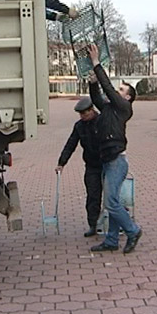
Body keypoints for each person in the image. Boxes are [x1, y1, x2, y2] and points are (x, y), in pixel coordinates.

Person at [86, 44, 142, 254]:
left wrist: (96, 63)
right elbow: (97, 98)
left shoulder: (124, 108)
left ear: (127, 97)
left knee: (110, 202)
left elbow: (108, 89)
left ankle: (133, 230)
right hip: (108, 160)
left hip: (117, 161)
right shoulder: (109, 109)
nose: (117, 92)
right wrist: (93, 82)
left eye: (122, 90)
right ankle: (111, 240)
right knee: (114, 201)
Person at [55, 97, 102, 237]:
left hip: (107, 163)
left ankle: (119, 223)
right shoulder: (79, 126)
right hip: (92, 165)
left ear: (91, 110)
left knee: (113, 196)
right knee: (93, 196)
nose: (82, 116)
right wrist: (61, 163)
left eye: (85, 113)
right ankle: (93, 225)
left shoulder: (102, 121)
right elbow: (71, 144)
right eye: (80, 114)